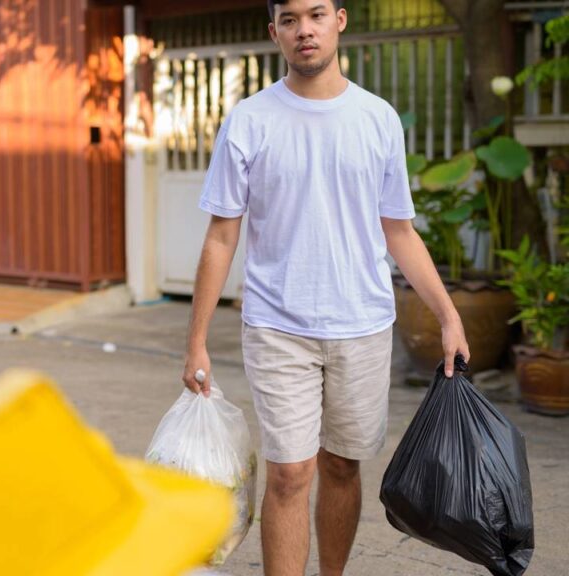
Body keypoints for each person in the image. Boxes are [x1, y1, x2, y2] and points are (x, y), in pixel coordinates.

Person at [180, 1, 471, 575]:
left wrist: (447, 314)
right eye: (289, 20)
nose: (303, 30)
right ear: (274, 33)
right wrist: (196, 342)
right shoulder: (250, 119)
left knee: (342, 466)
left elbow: (399, 231)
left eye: (314, 15)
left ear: (339, 20)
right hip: (277, 324)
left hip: (362, 324)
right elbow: (220, 238)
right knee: (291, 471)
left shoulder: (376, 118)